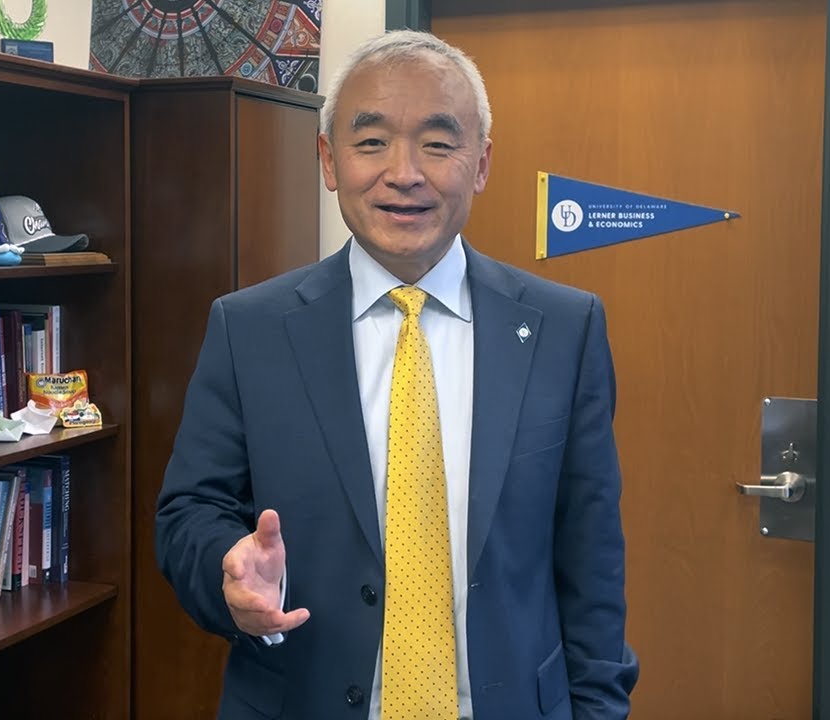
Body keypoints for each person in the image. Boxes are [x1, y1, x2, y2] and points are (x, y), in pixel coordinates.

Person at [156, 29, 638, 720]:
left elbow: (592, 557)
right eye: (372, 141)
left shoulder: (565, 328)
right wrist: (226, 572)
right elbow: (188, 514)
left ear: (481, 163)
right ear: (329, 160)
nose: (404, 172)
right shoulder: (249, 328)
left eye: (438, 144)